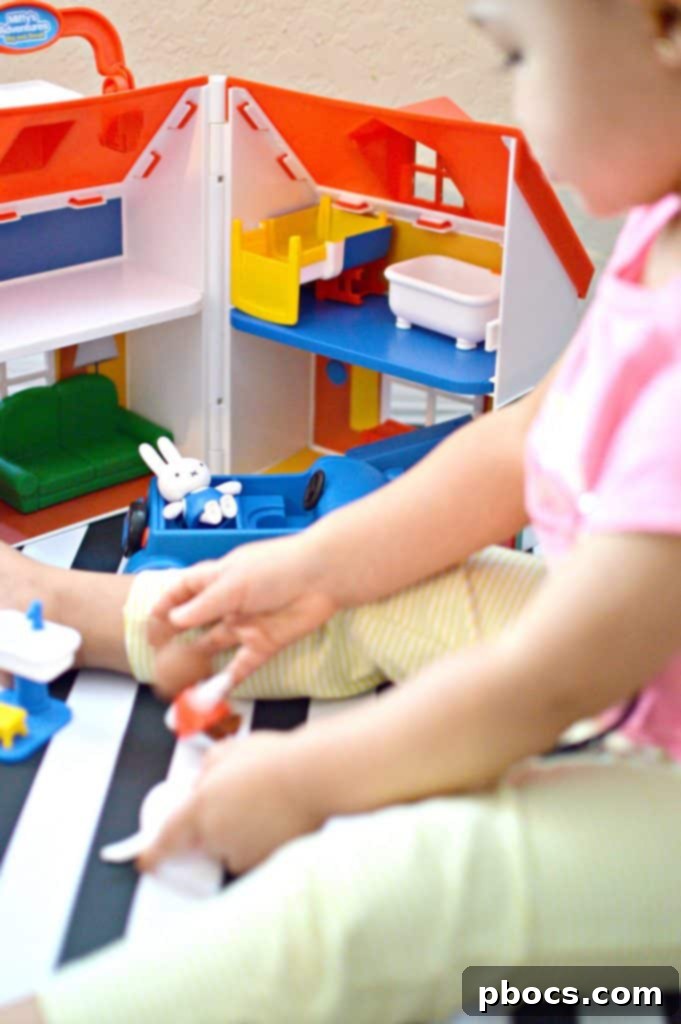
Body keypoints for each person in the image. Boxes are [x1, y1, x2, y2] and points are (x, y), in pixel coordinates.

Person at [2, 0, 681, 1020]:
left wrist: (312, 780)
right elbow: (514, 443)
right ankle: (83, 609)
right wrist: (309, 569)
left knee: (385, 892)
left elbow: (549, 682)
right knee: (363, 587)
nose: (524, 114)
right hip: (636, 661)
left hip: (645, 740)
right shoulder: (660, 229)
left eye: (522, 56)